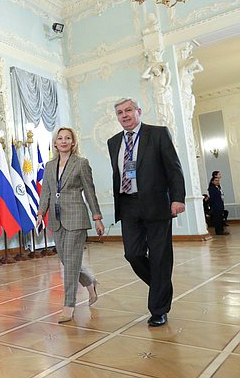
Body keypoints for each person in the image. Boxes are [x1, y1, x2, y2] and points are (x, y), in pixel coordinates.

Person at [107, 98, 186, 327]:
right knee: (133, 254)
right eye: (120, 112)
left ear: (138, 111)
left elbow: (173, 167)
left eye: (128, 110)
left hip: (157, 204)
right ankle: (161, 287)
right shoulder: (113, 142)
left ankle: (158, 309)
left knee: (160, 257)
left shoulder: (158, 134)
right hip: (128, 204)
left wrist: (178, 198)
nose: (124, 115)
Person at [36, 127, 104, 323]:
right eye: (60, 138)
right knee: (67, 260)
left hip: (76, 217)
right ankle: (90, 282)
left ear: (73, 142)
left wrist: (97, 217)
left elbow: (90, 192)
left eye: (68, 138)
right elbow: (46, 192)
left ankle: (69, 305)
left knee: (72, 263)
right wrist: (41, 213)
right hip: (56, 219)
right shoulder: (49, 166)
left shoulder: (81, 164)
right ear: (55, 143)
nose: (64, 141)